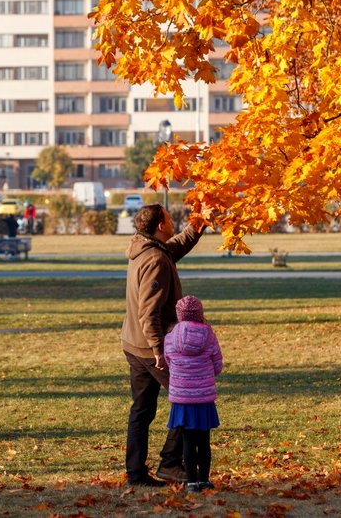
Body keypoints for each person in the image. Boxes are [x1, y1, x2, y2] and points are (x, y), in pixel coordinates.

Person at [122, 203, 202, 487]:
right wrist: (158, 350)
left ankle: (135, 473)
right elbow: (149, 311)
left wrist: (199, 223)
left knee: (142, 409)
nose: (172, 223)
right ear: (159, 226)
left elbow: (176, 246)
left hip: (132, 343)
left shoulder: (145, 248)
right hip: (149, 347)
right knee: (189, 397)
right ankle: (170, 462)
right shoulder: (155, 259)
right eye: (169, 220)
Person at [164, 295, 223, 493]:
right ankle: (204, 479)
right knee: (204, 440)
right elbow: (217, 365)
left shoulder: (170, 338)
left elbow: (169, 362)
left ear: (179, 315)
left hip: (182, 398)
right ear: (200, 314)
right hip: (203, 396)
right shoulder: (208, 335)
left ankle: (191, 481)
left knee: (188, 441)